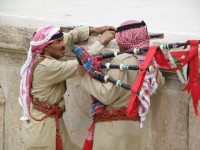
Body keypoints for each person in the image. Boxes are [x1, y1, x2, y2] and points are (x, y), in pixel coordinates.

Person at [19, 24, 116, 150]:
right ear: (46, 47)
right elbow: (82, 62)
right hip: (43, 131)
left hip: (49, 123)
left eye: (61, 40)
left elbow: (70, 36)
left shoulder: (45, 52)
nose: (63, 44)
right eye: (58, 42)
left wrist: (95, 30)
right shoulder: (47, 67)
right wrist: (102, 41)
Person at [78, 20, 165, 150]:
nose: (117, 42)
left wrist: (85, 77)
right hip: (132, 128)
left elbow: (107, 95)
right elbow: (159, 84)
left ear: (125, 40)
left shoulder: (122, 60)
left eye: (119, 39)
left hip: (112, 130)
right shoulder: (149, 61)